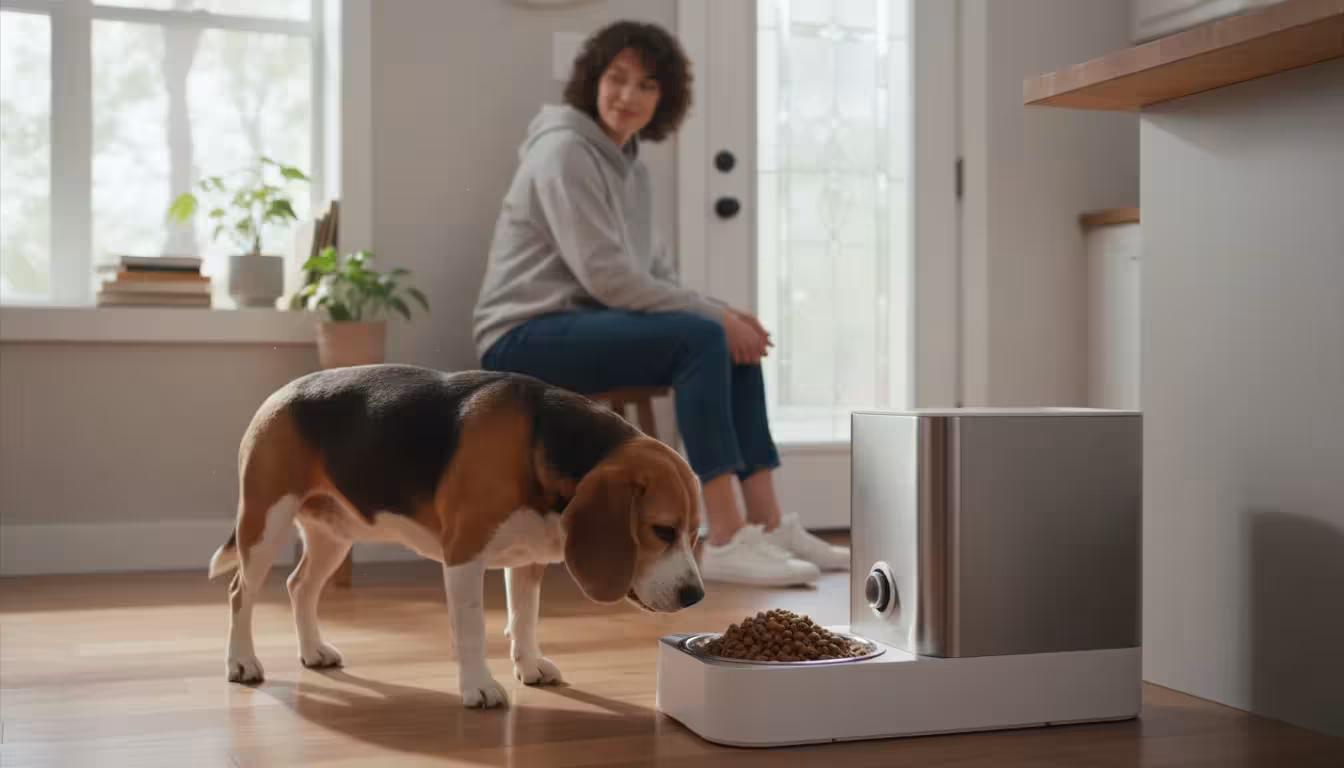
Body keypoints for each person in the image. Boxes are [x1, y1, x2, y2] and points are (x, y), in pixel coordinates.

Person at [473, 20, 847, 587]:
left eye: (646, 85)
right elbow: (608, 280)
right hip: (524, 333)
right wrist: (715, 318)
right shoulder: (563, 151)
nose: (628, 95)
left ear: (663, 98)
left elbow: (656, 277)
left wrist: (726, 314)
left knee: (730, 339)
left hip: (586, 324)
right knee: (704, 335)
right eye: (617, 78)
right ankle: (723, 537)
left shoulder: (632, 170)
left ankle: (768, 524)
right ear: (594, 79)